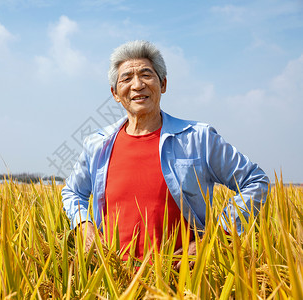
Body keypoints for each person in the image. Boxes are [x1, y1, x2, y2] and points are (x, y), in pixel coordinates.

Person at [61, 40, 269, 262]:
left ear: (163, 84)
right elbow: (72, 192)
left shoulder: (198, 138)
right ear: (115, 93)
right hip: (115, 278)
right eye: (127, 78)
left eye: (146, 74)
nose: (137, 85)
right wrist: (84, 226)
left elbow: (255, 181)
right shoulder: (98, 144)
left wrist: (217, 236)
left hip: (183, 281)